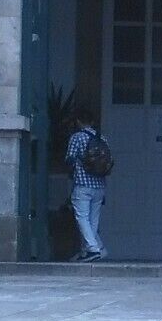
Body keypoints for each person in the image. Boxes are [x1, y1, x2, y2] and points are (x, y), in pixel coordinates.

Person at [64, 108, 111, 262]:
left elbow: (70, 159)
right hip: (100, 185)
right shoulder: (103, 138)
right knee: (93, 219)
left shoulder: (77, 137)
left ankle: (92, 249)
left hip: (83, 184)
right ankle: (96, 248)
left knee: (82, 217)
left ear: (78, 122)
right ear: (92, 122)